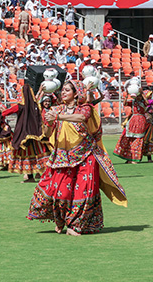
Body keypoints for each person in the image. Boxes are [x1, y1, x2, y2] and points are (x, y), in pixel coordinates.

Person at [27, 80, 127, 236]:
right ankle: (61, 220)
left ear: (76, 93)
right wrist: (49, 121)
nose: (63, 92)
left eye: (67, 90)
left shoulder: (84, 108)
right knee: (61, 191)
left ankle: (76, 226)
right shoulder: (56, 109)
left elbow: (81, 118)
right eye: (63, 90)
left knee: (84, 192)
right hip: (62, 157)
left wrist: (59, 117)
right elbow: (46, 134)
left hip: (86, 155)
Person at [3, 84, 49, 182]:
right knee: (39, 153)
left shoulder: (20, 107)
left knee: (27, 155)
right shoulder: (34, 105)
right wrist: (40, 90)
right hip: (35, 134)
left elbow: (6, 113)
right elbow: (35, 99)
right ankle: (41, 175)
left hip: (23, 135)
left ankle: (30, 177)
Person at [113, 86, 153, 163]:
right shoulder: (133, 102)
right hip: (133, 121)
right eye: (138, 96)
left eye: (140, 96)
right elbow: (125, 103)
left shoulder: (145, 102)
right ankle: (129, 158)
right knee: (130, 138)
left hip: (143, 122)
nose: (138, 98)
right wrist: (126, 95)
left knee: (141, 140)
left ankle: (138, 158)